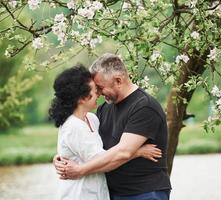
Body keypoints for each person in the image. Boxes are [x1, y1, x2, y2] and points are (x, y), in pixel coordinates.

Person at [54, 53, 171, 200]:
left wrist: (80, 170)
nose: (99, 93)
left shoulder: (144, 107)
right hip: (112, 193)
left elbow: (123, 152)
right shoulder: (104, 109)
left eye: (100, 88)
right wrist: (63, 156)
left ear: (118, 81)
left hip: (143, 192)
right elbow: (91, 145)